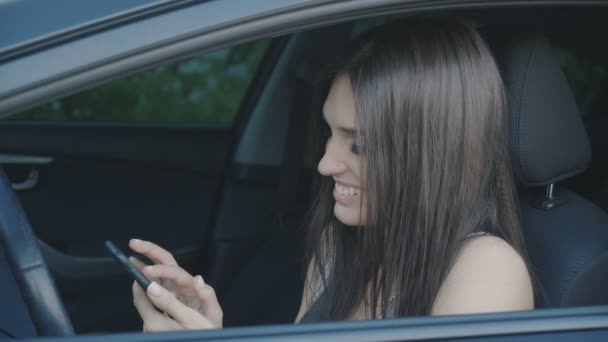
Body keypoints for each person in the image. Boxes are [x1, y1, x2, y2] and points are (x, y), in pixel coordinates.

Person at [129, 18, 534, 331]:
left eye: (358, 145)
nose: (325, 165)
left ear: (430, 153)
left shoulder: (486, 270)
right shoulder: (339, 243)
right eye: (329, 133)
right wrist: (213, 332)